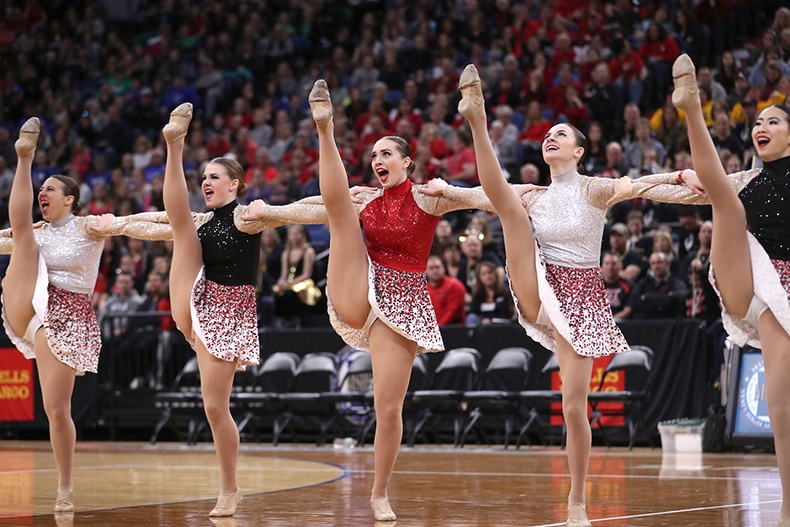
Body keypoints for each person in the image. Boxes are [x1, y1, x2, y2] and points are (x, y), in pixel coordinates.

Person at [454, 64, 694, 527]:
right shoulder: (534, 193)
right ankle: (476, 119)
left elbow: (642, 184)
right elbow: (479, 195)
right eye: (547, 134)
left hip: (581, 296)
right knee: (507, 205)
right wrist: (444, 189)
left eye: (560, 134)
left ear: (579, 151)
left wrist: (682, 173)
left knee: (573, 407)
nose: (550, 138)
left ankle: (577, 500)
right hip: (537, 278)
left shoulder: (593, 187)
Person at [306, 79, 505, 521]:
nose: (377, 160)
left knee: (387, 407)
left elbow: (489, 198)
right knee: (341, 215)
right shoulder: (365, 198)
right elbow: (312, 207)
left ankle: (379, 492)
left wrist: (451, 191)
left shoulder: (425, 197)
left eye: (386, 154)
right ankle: (325, 129)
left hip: (403, 303)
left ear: (406, 162)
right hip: (361, 282)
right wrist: (269, 214)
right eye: (373, 155)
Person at [0, 118, 186, 513]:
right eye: (41, 188)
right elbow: (12, 235)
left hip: (68, 317)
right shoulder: (35, 230)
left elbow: (146, 222)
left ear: (70, 199)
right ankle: (24, 157)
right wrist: (23, 238)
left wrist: (117, 223)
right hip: (30, 307)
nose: (43, 194)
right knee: (23, 238)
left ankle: (65, 486)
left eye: (50, 188)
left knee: (56, 409)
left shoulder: (88, 226)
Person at [159, 103, 334, 517]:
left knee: (216, 407)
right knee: (180, 221)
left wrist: (275, 210)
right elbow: (158, 219)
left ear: (236, 184)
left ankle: (229, 487)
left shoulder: (245, 217)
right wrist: (111, 223)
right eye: (203, 178)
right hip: (200, 302)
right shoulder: (201, 220)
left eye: (214, 177)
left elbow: (303, 208)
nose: (206, 183)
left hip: (231, 309)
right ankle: (174, 146)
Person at [669, 54, 790, 527]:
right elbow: (698, 187)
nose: (762, 127)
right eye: (758, 121)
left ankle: (788, 503)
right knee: (726, 202)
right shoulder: (744, 181)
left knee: (781, 407)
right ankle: (692, 108)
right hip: (752, 280)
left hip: (786, 291)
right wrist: (680, 178)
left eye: (774, 121)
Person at [621, 252, 688, 319]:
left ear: (668, 264)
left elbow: (678, 298)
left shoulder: (676, 283)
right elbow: (634, 301)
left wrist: (647, 297)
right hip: (645, 323)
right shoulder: (643, 283)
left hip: (669, 323)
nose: (656, 266)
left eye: (659, 263)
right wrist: (664, 300)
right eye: (653, 263)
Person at [465, 260, 515, 326]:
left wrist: (490, 320)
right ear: (479, 277)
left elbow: (506, 314)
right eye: (484, 274)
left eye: (490, 272)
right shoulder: (477, 295)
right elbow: (473, 312)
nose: (488, 276)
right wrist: (483, 319)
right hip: (481, 326)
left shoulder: (504, 292)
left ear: (495, 275)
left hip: (500, 325)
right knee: (471, 318)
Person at [426, 254, 466, 325]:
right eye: (431, 268)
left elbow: (453, 311)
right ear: (425, 271)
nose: (435, 271)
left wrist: (438, 327)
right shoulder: (423, 290)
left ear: (443, 268)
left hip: (452, 329)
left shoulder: (454, 285)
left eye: (437, 267)